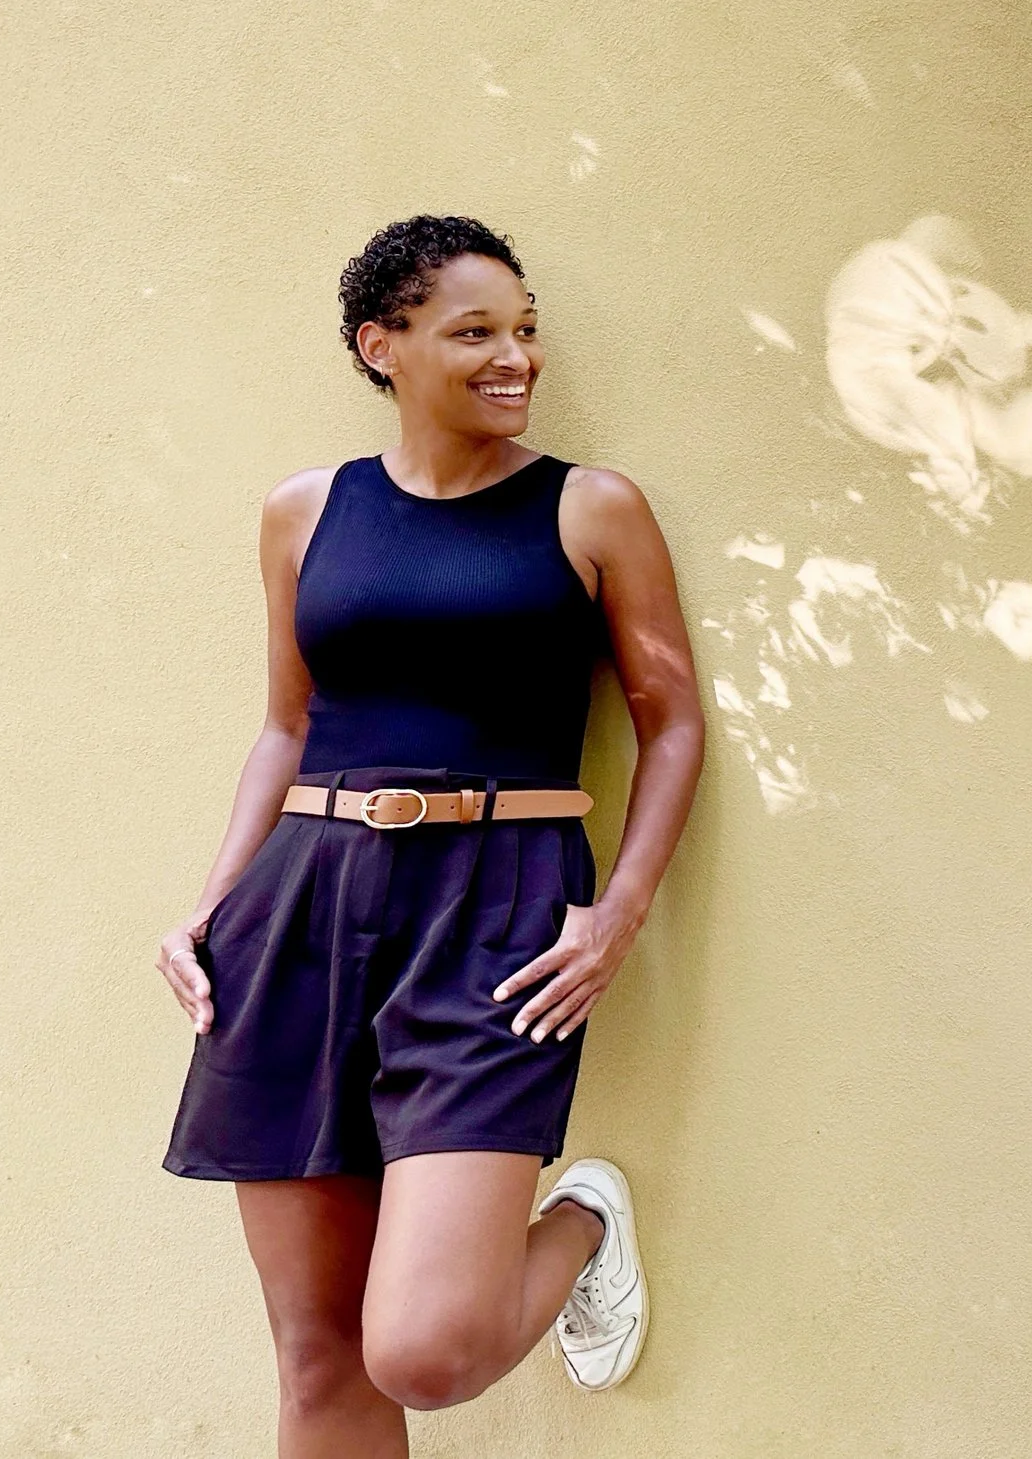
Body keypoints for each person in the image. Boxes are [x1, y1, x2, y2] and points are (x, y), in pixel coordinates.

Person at [155, 215, 706, 1454]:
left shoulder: (590, 509)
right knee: (318, 1361)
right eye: (476, 332)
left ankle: (583, 1230)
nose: (515, 356)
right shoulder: (306, 512)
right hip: (300, 911)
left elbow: (671, 726)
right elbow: (283, 731)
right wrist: (210, 907)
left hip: (497, 910)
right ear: (381, 346)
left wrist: (617, 912)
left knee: (423, 1351)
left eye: (524, 332)